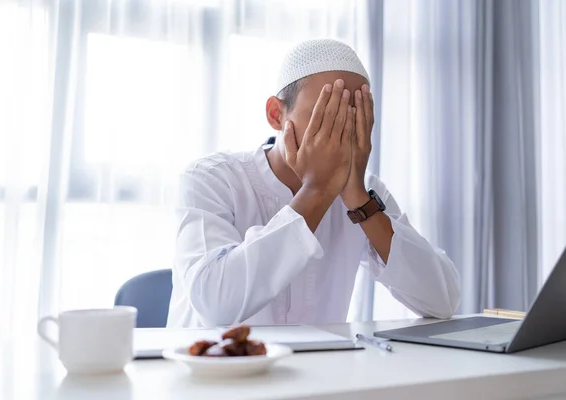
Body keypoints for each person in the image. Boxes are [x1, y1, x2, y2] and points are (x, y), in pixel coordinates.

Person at [167, 39, 460, 328]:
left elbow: (443, 300)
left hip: (318, 372)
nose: (340, 131)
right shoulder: (211, 179)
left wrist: (360, 201)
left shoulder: (366, 193)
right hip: (213, 370)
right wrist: (316, 192)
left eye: (354, 117)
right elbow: (216, 305)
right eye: (326, 115)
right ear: (276, 115)